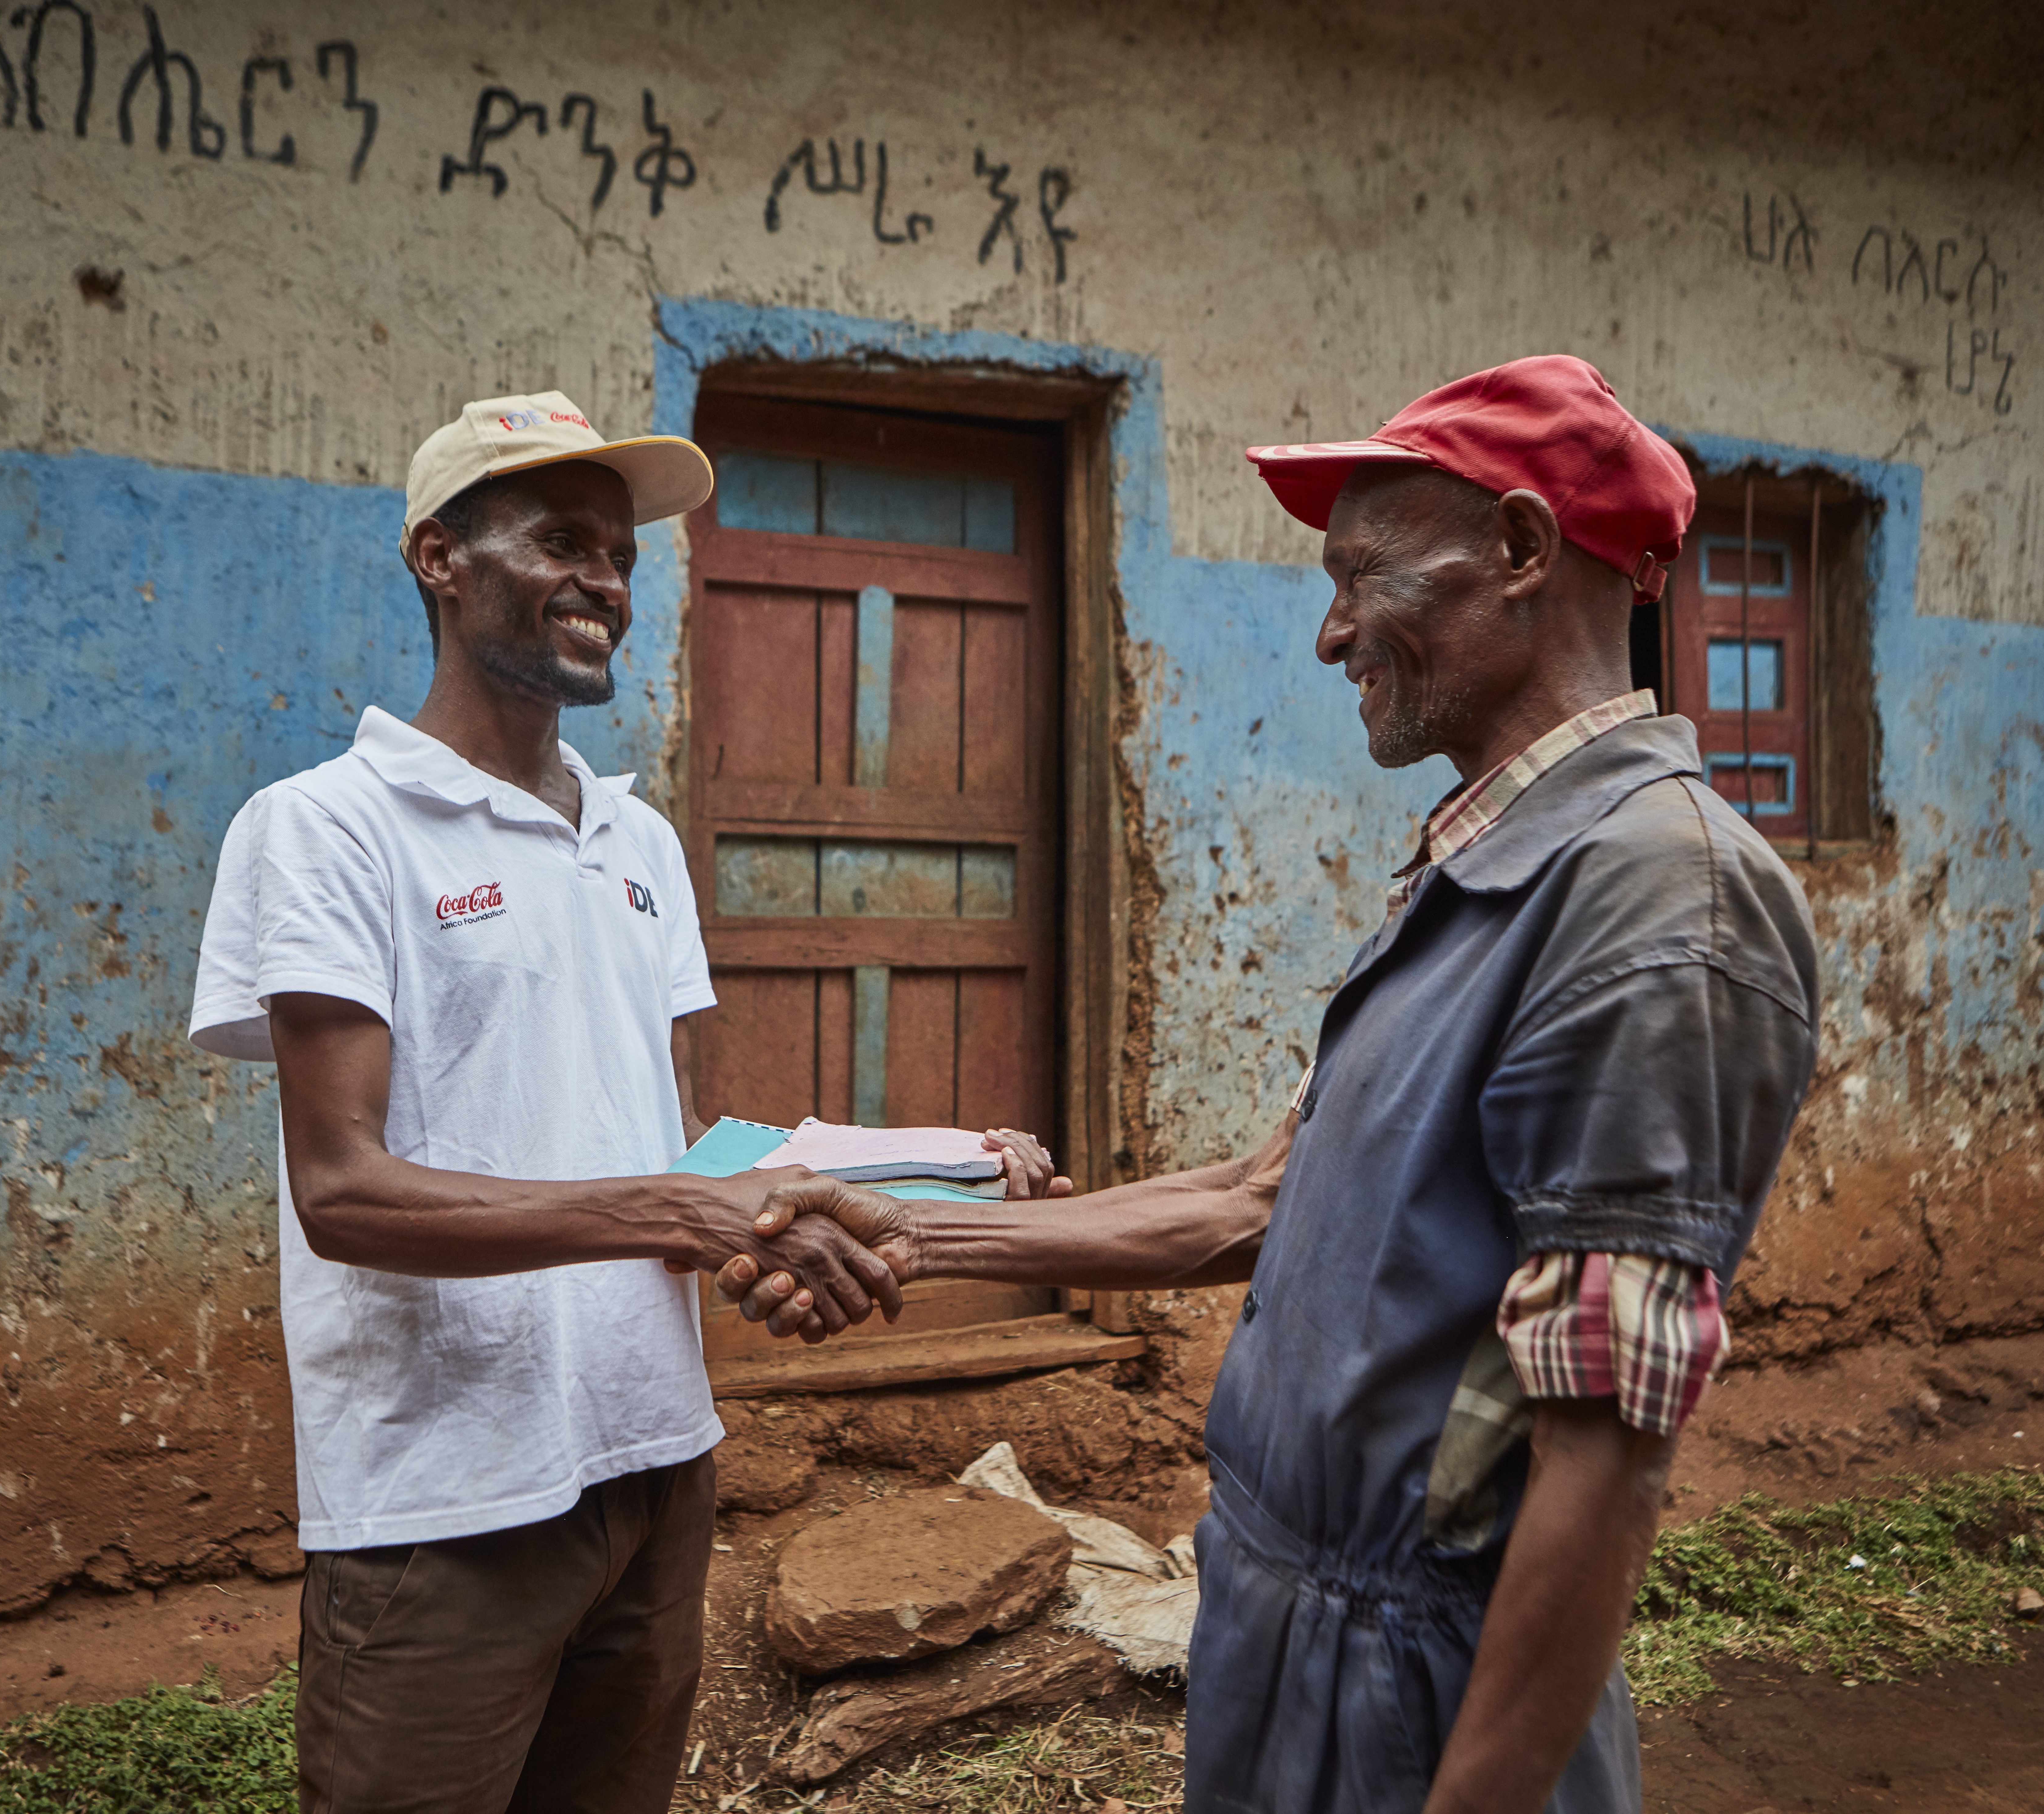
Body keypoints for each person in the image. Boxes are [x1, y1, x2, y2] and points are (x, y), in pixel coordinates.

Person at [715, 357, 1821, 1814]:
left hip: (1416, 1678)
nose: (1330, 632)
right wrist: (908, 1232)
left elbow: (1602, 1454)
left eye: (1361, 576)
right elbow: (1260, 1199)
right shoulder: (1483, 867)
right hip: (1282, 1625)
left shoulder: (1657, 895)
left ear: (1520, 548)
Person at [187, 392, 1046, 1814]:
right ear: (439, 558)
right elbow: (342, 1193)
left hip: (656, 1461)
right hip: (449, 1495)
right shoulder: (325, 830)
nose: (605, 581)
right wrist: (685, 1212)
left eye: (623, 555)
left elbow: (666, 1150)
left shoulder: (634, 839)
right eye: (563, 543)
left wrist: (912, 1168)